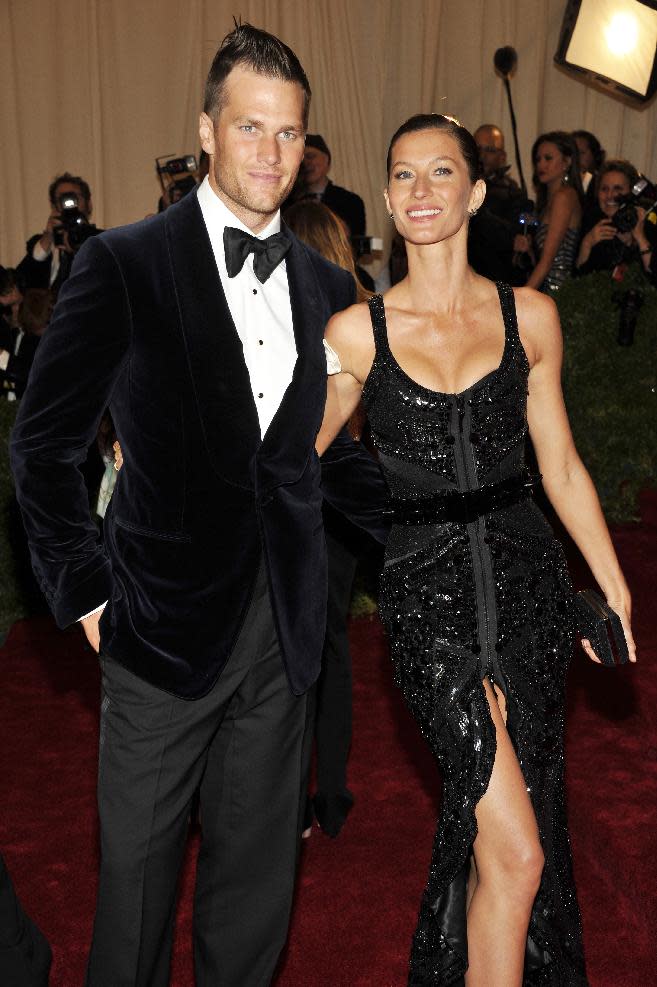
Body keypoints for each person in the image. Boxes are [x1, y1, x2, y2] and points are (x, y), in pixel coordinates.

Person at [11, 23, 386, 986]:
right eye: (251, 127)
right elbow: (43, 445)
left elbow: (330, 464)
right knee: (132, 894)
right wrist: (87, 592)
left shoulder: (330, 287)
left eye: (289, 133)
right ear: (208, 132)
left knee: (255, 892)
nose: (271, 152)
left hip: (285, 631)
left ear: (307, 148)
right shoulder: (124, 263)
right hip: (160, 626)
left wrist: (448, 525)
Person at [316, 112, 635, 986]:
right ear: (385, 197)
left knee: (511, 847)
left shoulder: (529, 315)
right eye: (405, 176)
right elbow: (282, 465)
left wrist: (609, 584)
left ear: (476, 190)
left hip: (531, 585)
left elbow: (560, 463)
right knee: (519, 848)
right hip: (424, 603)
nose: (422, 191)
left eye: (441, 173)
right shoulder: (355, 333)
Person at [284, 199, 373, 837]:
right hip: (348, 497)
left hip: (304, 496)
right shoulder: (371, 315)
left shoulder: (295, 318)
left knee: (287, 651)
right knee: (331, 647)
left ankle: (285, 802)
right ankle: (332, 795)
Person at [515, 131, 583, 293]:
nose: (541, 165)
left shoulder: (564, 196)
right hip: (547, 287)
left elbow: (548, 260)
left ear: (566, 162)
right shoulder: (548, 201)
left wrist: (521, 298)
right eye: (538, 159)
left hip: (557, 291)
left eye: (548, 158)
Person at [16, 173, 96, 295]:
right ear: (54, 206)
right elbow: (20, 284)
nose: (69, 203)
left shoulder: (101, 241)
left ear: (88, 204)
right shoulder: (41, 244)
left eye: (74, 197)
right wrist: (47, 239)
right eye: (62, 198)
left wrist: (77, 251)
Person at [575, 159, 653, 277]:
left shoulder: (649, 225)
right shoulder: (591, 224)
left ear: (632, 193)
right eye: (604, 189)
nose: (610, 195)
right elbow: (576, 283)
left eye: (618, 189)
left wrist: (640, 238)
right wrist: (587, 243)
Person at [287, 133, 366, 238]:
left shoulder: (350, 202)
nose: (305, 163)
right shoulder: (286, 203)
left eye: (310, 156)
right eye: (300, 160)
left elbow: (356, 245)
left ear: (327, 160)